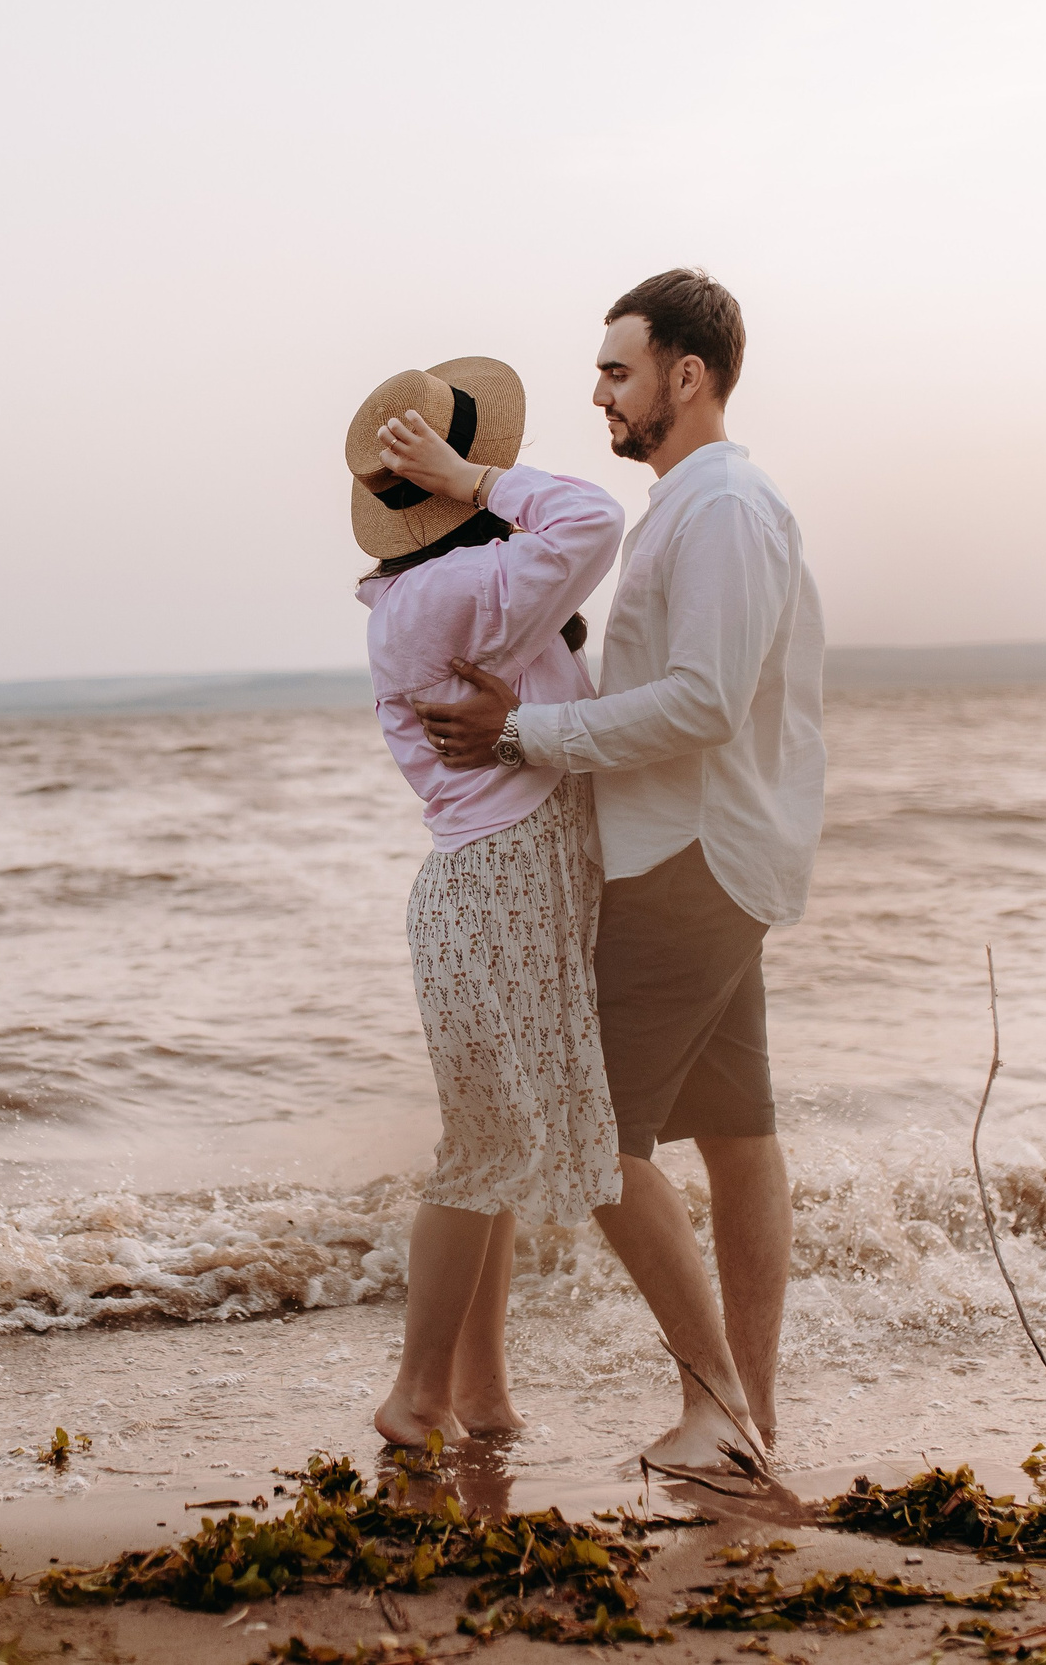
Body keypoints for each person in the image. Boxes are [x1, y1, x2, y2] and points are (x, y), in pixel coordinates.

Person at [417, 270, 825, 1469]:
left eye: (615, 368)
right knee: (739, 1134)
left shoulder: (724, 508)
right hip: (694, 849)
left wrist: (521, 734)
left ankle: (716, 1412)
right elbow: (678, 685)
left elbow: (700, 703)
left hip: (685, 854)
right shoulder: (690, 508)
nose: (598, 389)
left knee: (599, 1143)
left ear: (683, 376)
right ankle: (746, 1408)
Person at [344, 355, 627, 1447]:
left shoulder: (440, 593)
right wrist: (472, 474)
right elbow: (592, 518)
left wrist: (463, 487)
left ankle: (480, 1394)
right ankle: (417, 1393)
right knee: (479, 1148)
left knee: (495, 1146)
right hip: (499, 875)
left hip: (497, 874)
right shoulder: (453, 590)